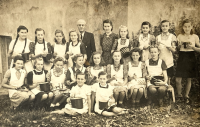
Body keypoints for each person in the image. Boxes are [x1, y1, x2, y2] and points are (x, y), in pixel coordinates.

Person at [175, 19, 200, 103]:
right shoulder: (179, 36)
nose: (187, 28)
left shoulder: (195, 36)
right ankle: (179, 95)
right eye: (185, 26)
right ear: (183, 27)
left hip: (191, 57)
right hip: (182, 56)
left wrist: (193, 47)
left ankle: (186, 96)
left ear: (191, 27)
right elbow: (176, 49)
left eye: (189, 26)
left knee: (189, 79)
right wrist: (179, 45)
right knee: (178, 79)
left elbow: (199, 49)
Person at [156, 20, 177, 86]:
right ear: (161, 27)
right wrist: (157, 47)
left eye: (166, 26)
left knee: (168, 76)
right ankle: (162, 91)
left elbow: (174, 50)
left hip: (168, 59)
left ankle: (168, 91)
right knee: (161, 75)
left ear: (169, 27)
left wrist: (170, 48)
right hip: (160, 59)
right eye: (163, 26)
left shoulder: (172, 36)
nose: (164, 27)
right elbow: (155, 49)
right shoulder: (158, 37)